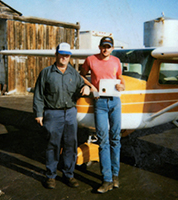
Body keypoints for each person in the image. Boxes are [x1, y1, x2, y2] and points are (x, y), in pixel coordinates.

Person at [33, 42, 90, 189]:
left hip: (70, 113)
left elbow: (82, 86)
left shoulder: (74, 73)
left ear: (69, 56)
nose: (64, 57)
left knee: (71, 144)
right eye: (61, 54)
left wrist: (86, 87)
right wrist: (39, 113)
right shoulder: (46, 72)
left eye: (67, 55)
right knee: (52, 145)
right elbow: (38, 94)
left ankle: (69, 175)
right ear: (56, 54)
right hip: (52, 113)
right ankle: (51, 176)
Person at [80, 36, 125, 193]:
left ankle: (115, 175)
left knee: (115, 138)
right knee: (103, 140)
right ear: (99, 47)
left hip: (115, 102)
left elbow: (120, 78)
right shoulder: (90, 59)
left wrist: (122, 86)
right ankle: (106, 180)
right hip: (99, 103)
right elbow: (81, 75)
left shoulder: (116, 61)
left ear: (112, 48)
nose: (106, 49)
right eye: (103, 46)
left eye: (108, 46)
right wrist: (91, 87)